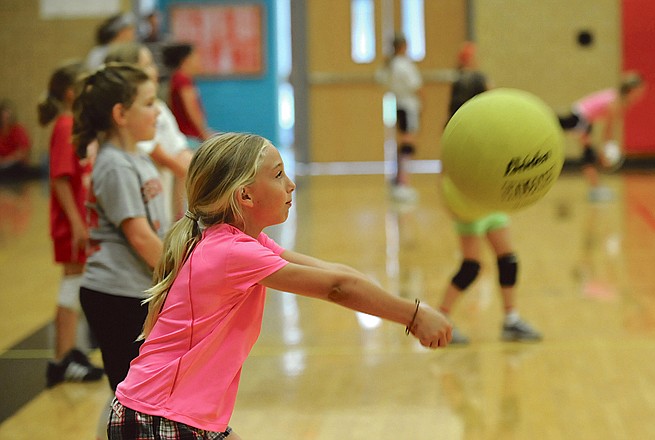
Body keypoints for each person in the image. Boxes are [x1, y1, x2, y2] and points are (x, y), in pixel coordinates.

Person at [108, 132, 452, 438]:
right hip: (159, 415)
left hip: (172, 413)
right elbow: (336, 288)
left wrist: (413, 312)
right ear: (244, 196)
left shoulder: (241, 242)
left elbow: (334, 274)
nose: (291, 184)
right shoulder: (230, 251)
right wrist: (414, 314)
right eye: (277, 175)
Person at [72, 63, 168, 437]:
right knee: (129, 395)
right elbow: (141, 238)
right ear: (120, 114)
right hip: (114, 294)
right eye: (148, 102)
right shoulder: (114, 166)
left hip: (131, 289)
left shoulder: (137, 158)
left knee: (133, 392)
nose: (158, 109)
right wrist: (186, 277)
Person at [438, 43, 541, 345]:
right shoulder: (466, 126)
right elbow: (448, 168)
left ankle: (510, 319)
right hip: (472, 194)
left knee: (501, 258)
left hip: (479, 195)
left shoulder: (472, 121)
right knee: (482, 263)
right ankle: (444, 318)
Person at [37, 60, 105, 386]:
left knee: (74, 285)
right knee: (72, 286)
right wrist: (78, 223)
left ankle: (69, 354)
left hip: (78, 221)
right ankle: (61, 359)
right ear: (70, 93)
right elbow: (61, 180)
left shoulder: (72, 124)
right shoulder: (65, 126)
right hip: (71, 225)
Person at [105, 42, 193, 222]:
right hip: (142, 211)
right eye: (148, 65)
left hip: (163, 206)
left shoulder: (160, 108)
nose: (155, 70)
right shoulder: (129, 117)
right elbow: (163, 157)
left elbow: (181, 151)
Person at [558, 72, 646, 202]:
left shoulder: (616, 97)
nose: (641, 94)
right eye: (639, 90)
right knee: (588, 153)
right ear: (631, 90)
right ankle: (595, 190)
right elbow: (608, 130)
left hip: (586, 120)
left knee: (588, 153)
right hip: (581, 118)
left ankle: (595, 188)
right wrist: (606, 149)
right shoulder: (616, 102)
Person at [382, 33, 423, 202]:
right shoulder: (404, 65)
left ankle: (400, 180)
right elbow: (416, 86)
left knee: (404, 143)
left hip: (399, 105)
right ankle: (403, 182)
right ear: (403, 46)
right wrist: (423, 103)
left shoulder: (390, 66)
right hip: (408, 106)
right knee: (407, 144)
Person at [162, 42, 212, 149]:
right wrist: (204, 133)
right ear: (186, 59)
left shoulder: (178, 78)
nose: (199, 61)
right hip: (189, 137)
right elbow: (192, 110)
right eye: (196, 57)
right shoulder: (182, 80)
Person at [446, 42, 491, 124]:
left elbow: (452, 106)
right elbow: (489, 97)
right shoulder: (478, 78)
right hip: (477, 118)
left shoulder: (457, 78)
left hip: (460, 119)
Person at [0, 99, 40, 180]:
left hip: (18, 169)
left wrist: (7, 160)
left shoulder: (18, 130)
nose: (6, 119)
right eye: (4, 116)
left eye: (8, 116)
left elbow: (23, 153)